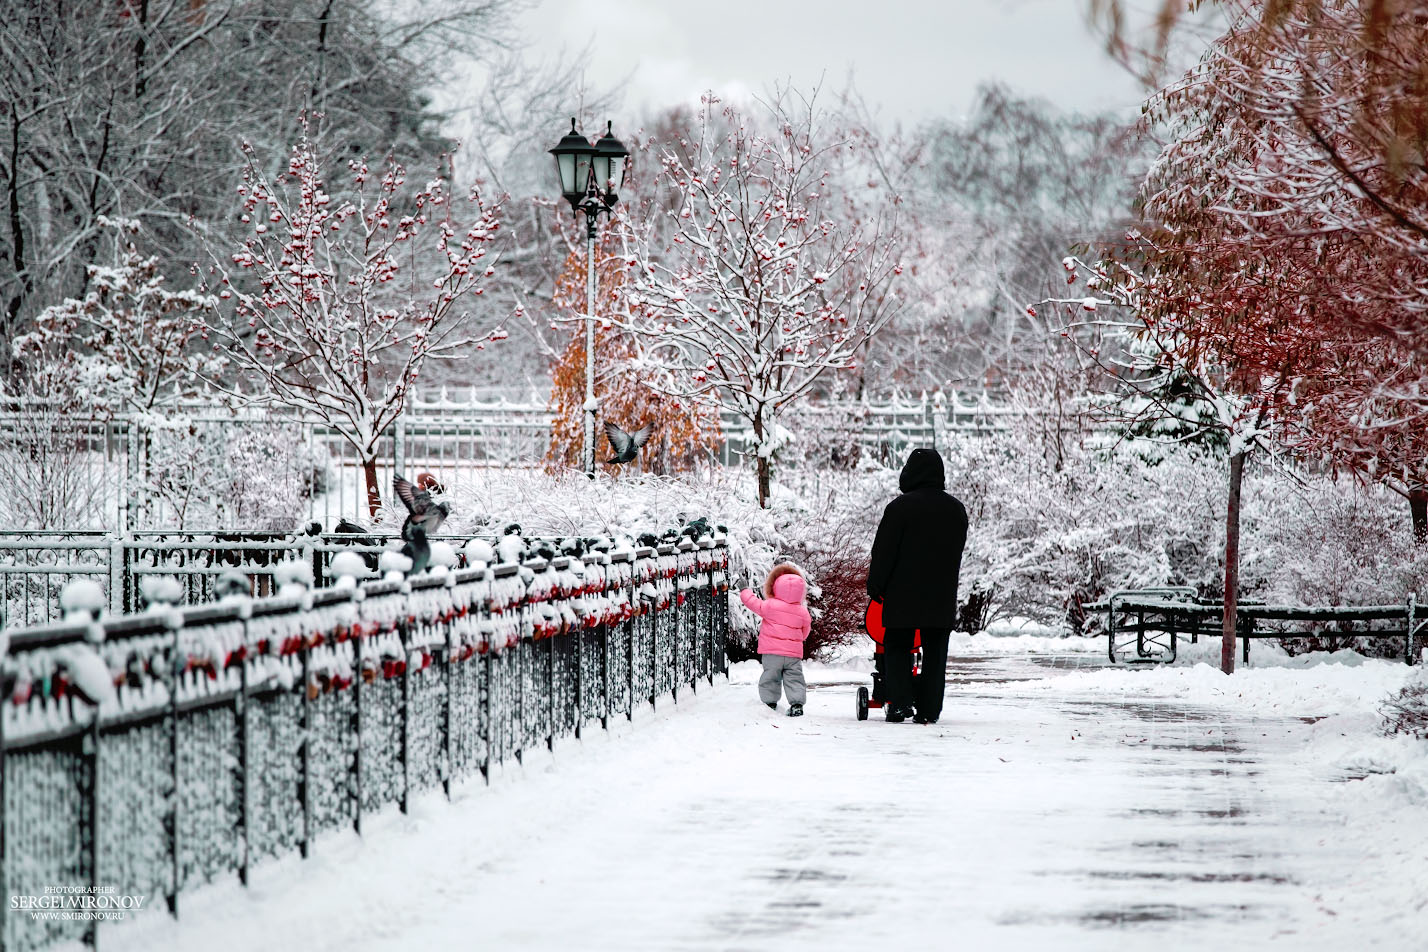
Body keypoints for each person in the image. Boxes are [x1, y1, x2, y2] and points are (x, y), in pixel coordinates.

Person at [867, 447, 968, 724]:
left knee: (897, 645)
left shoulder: (899, 509)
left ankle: (900, 704)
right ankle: (929, 709)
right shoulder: (956, 509)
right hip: (940, 595)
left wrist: (876, 586)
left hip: (903, 594)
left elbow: (884, 552)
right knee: (936, 653)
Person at [739, 562, 812, 717]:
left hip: (772, 653)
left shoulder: (770, 606)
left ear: (775, 587)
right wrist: (794, 642)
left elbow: (752, 603)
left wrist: (745, 590)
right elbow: (805, 633)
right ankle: (797, 704)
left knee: (770, 677)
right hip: (793, 655)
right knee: (795, 678)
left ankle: (769, 702)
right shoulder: (803, 612)